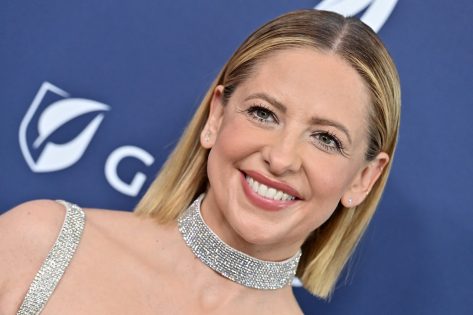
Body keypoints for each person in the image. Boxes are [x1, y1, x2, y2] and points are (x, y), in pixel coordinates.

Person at [0, 9, 400, 315]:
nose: (280, 159)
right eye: (264, 114)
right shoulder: (41, 243)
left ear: (363, 179)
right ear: (216, 117)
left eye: (326, 139)